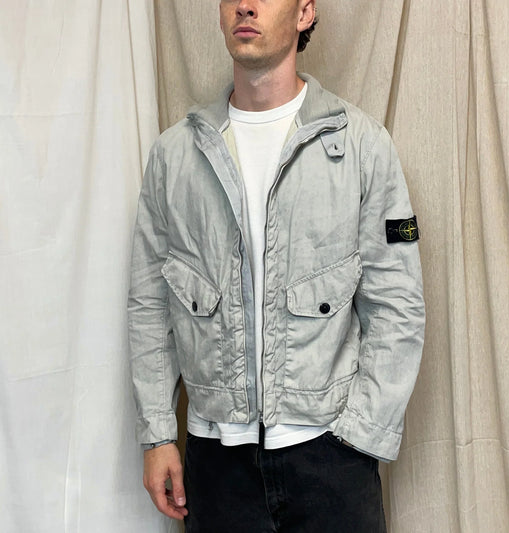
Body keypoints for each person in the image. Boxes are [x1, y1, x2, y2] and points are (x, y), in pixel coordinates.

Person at [128, 0, 425, 531]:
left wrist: (361, 436)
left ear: (305, 12)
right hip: (215, 462)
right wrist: (158, 435)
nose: (245, 5)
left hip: (332, 456)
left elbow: (398, 304)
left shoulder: (361, 146)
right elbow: (149, 303)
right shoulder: (176, 155)